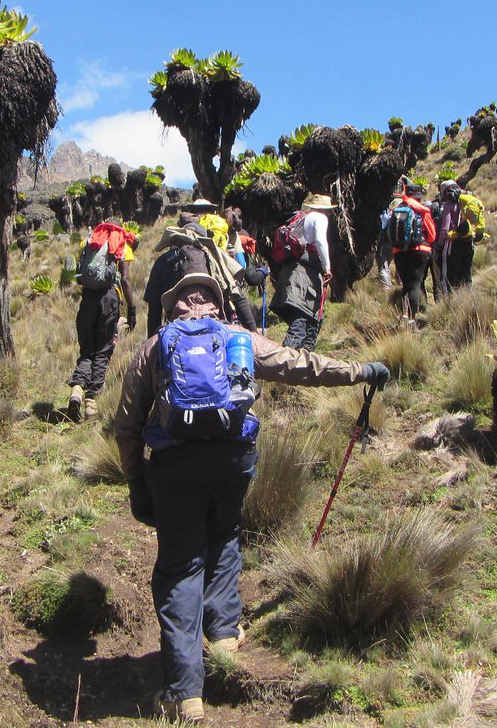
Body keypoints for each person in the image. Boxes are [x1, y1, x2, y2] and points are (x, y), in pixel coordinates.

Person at [114, 272, 391, 723]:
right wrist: (358, 371)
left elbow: (126, 424)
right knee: (224, 534)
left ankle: (185, 694)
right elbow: (296, 364)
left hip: (175, 469)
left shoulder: (155, 346)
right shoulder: (236, 336)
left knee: (181, 568)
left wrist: (135, 481)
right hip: (232, 461)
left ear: (173, 308)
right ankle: (224, 634)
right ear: (217, 305)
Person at [67, 219, 136, 422]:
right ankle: (91, 403)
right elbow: (125, 278)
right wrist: (132, 309)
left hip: (87, 299)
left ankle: (77, 390)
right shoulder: (121, 242)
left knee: (87, 350)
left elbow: (79, 276)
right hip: (109, 300)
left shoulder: (89, 241)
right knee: (103, 351)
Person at [270, 193, 335, 350]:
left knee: (306, 318)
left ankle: (300, 363)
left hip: (292, 270)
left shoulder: (301, 217)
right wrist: (327, 267)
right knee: (302, 320)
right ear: (325, 209)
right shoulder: (320, 218)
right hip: (306, 274)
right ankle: (284, 362)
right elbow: (320, 241)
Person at [387, 182, 437, 325]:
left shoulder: (396, 209)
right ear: (418, 197)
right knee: (415, 285)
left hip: (399, 252)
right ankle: (411, 320)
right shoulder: (422, 210)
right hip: (419, 252)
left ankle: (404, 315)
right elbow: (432, 236)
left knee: (406, 285)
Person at [432, 180, 486, 293]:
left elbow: (445, 228)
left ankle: (449, 305)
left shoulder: (449, 204)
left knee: (449, 279)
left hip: (452, 245)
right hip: (468, 243)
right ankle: (467, 301)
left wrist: (439, 246)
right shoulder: (465, 200)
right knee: (466, 276)